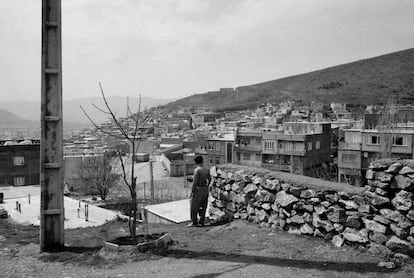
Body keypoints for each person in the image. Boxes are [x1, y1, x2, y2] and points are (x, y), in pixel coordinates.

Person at [188, 155, 211, 227]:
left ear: (195, 162)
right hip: (205, 188)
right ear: (202, 161)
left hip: (198, 189)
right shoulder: (206, 170)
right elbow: (210, 180)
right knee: (203, 206)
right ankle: (202, 221)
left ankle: (194, 222)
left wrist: (192, 192)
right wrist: (207, 186)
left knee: (194, 206)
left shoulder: (197, 170)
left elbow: (195, 182)